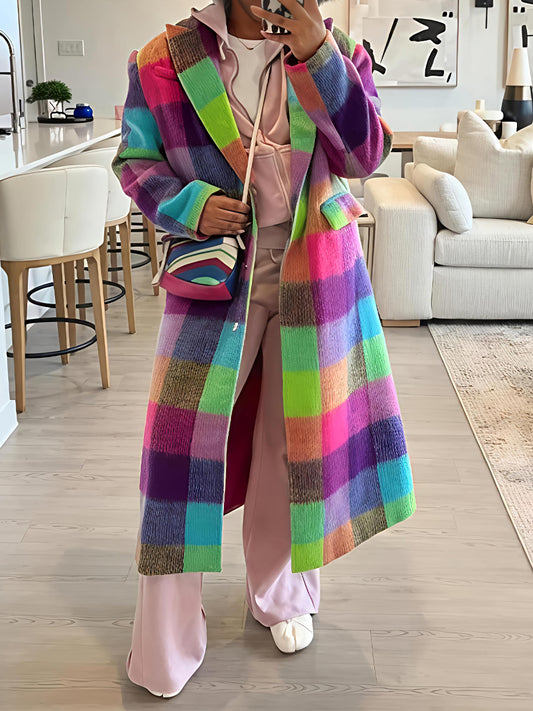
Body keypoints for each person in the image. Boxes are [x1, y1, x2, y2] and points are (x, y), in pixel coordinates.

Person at [112, 0, 416, 698]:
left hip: (319, 271)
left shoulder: (337, 51)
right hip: (215, 275)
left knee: (291, 441)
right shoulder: (163, 59)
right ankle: (163, 636)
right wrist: (189, 205)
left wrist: (319, 57)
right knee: (177, 450)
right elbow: (134, 160)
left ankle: (280, 594)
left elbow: (365, 155)